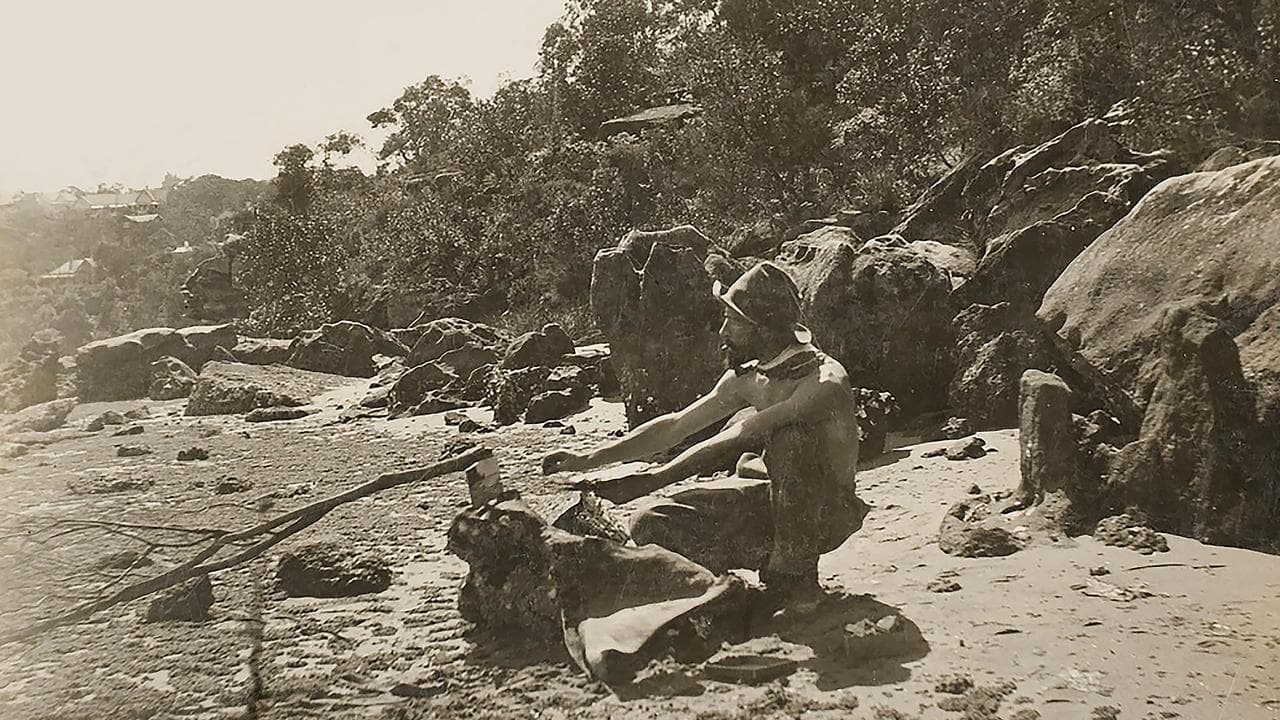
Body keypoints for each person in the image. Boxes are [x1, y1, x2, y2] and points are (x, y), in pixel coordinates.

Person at [542, 261, 867, 612]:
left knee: (789, 442)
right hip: (771, 503)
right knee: (651, 524)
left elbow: (746, 432)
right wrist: (589, 460)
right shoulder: (751, 377)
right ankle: (734, 589)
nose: (723, 332)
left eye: (735, 322)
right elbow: (676, 425)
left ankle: (795, 578)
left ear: (766, 330)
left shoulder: (823, 381)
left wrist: (653, 479)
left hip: (827, 512)